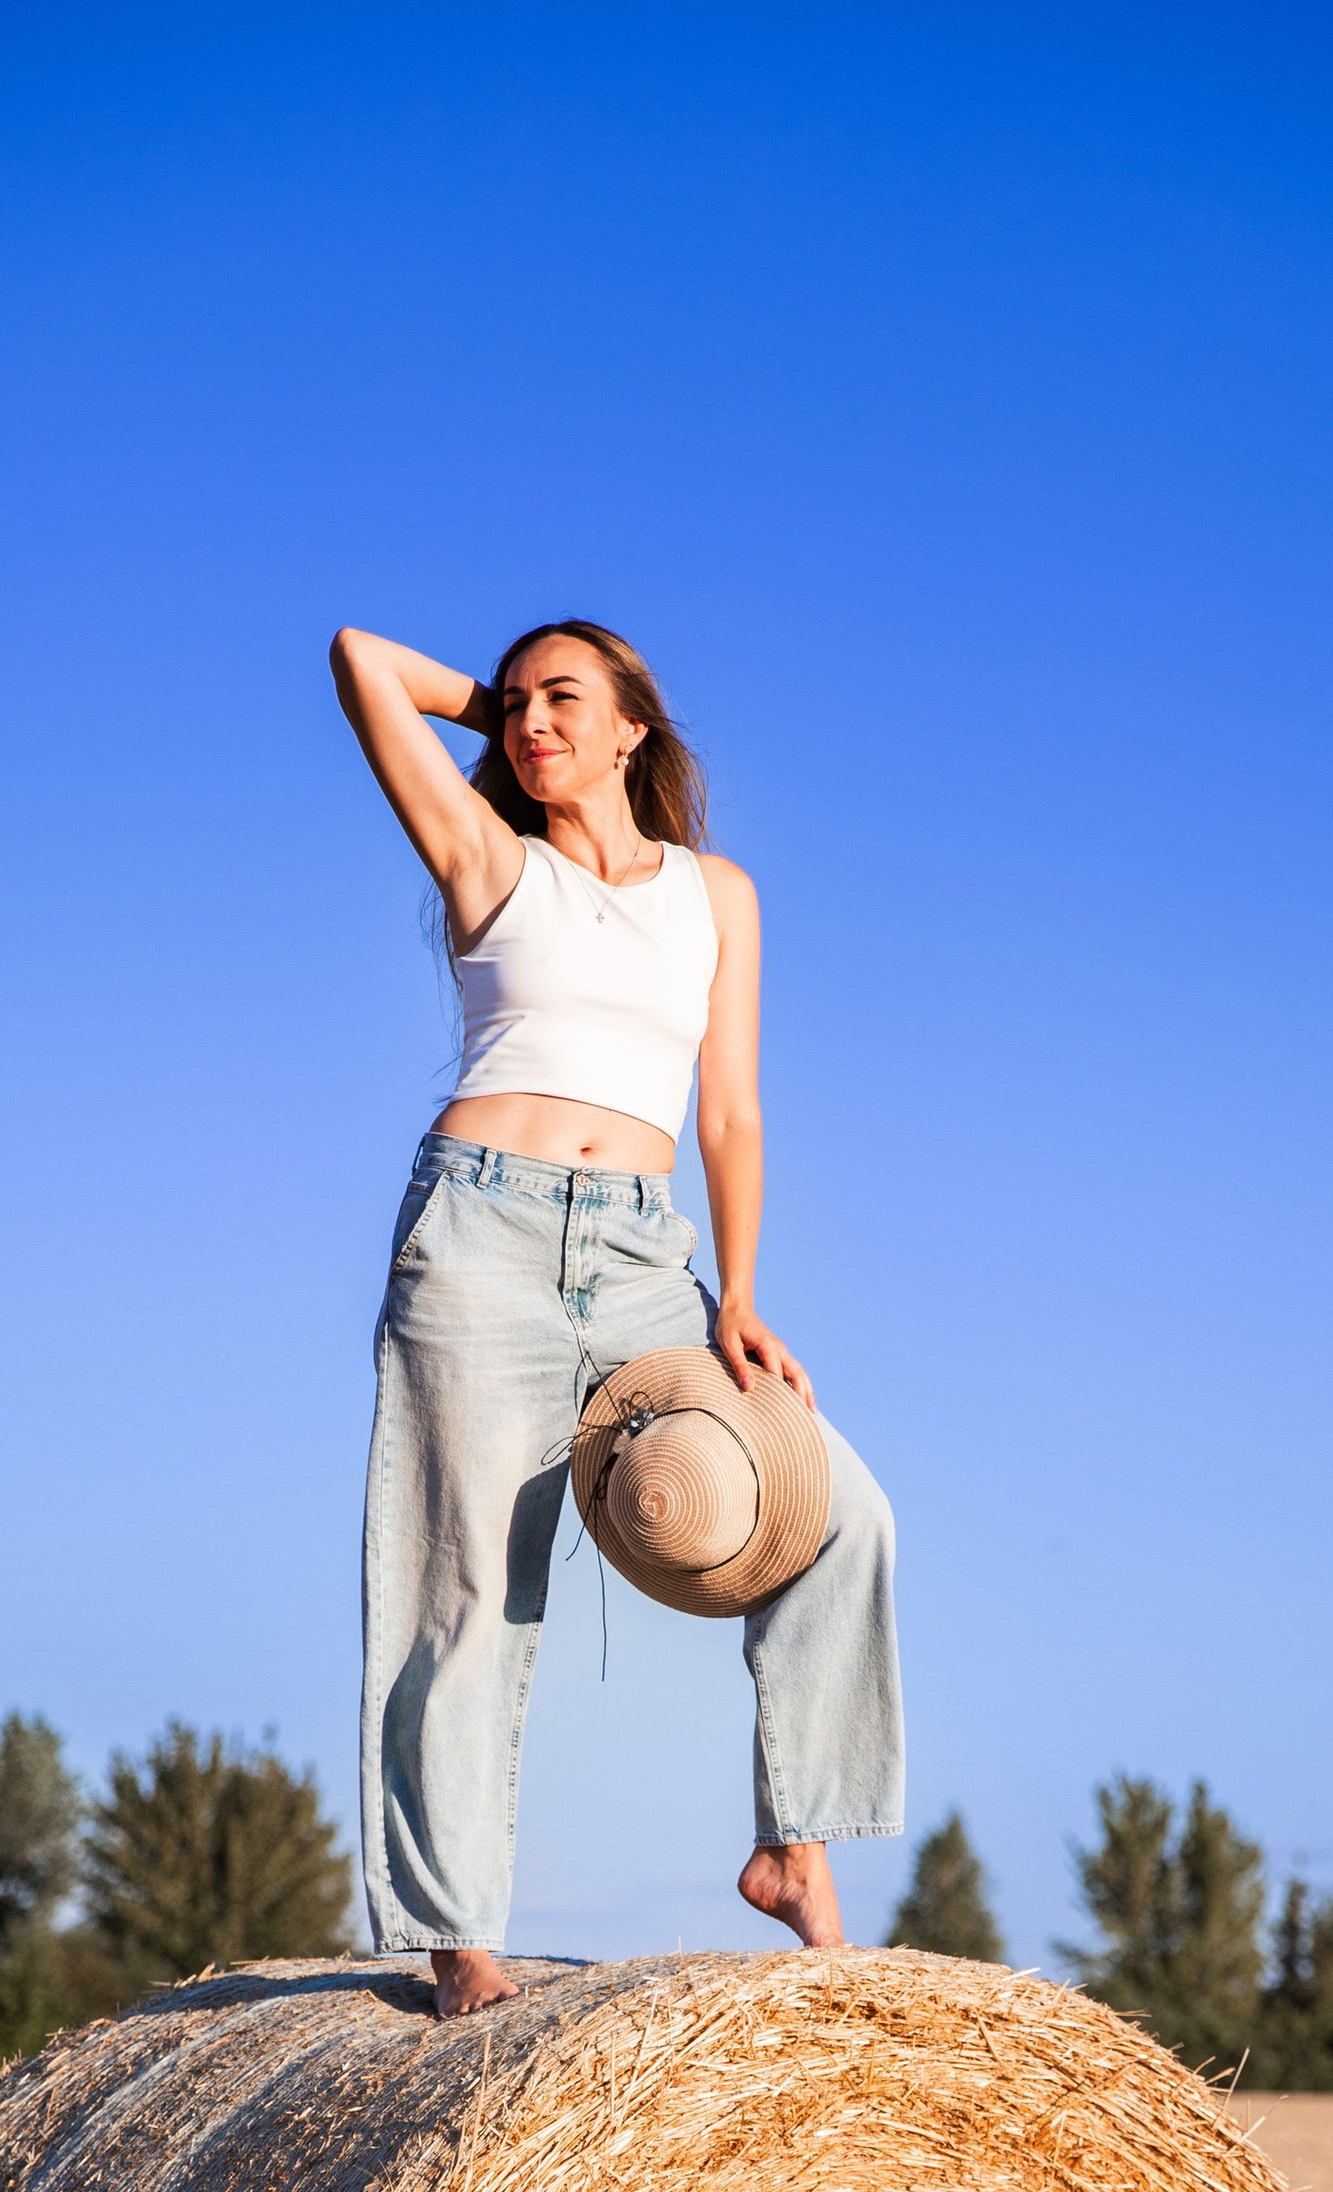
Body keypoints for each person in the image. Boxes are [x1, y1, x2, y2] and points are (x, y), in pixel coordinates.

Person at [329, 617, 903, 2017]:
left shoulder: (718, 895)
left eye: (565, 700)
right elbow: (357, 655)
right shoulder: (487, 860)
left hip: (651, 1260)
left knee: (842, 1515)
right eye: (514, 707)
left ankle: (792, 1841)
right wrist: (500, 713)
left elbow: (732, 1110)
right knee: (463, 1591)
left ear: (637, 722)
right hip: (479, 1244)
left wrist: (746, 1295)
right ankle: (461, 1936)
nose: (531, 723)